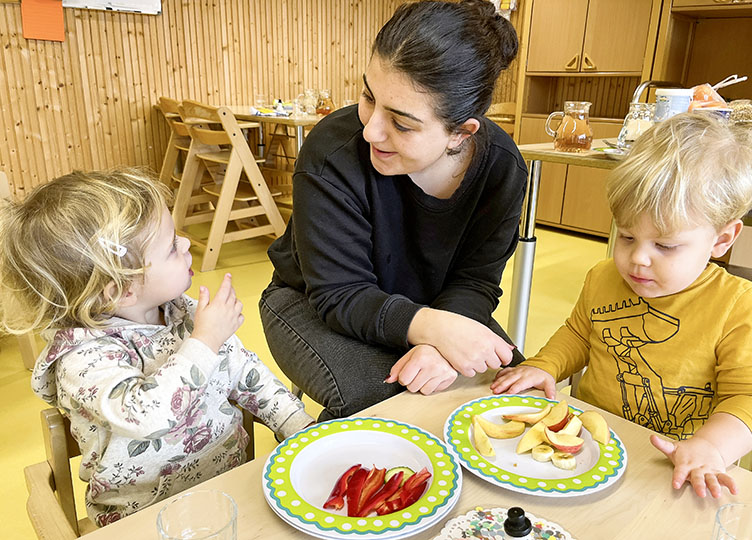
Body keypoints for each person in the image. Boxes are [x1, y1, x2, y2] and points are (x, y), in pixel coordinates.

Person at [260, 0, 528, 421]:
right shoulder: (334, 152)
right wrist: (435, 331)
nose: (371, 130)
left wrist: (440, 342)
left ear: (461, 133)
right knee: (388, 406)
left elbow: (475, 280)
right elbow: (339, 293)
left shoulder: (502, 167)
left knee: (511, 392)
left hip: (433, 305)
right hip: (312, 300)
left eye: (402, 123)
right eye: (368, 96)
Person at [491, 113, 752, 499]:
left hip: (675, 465)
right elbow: (579, 334)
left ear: (721, 239)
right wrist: (546, 365)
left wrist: (712, 447)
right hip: (594, 447)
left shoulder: (738, 307)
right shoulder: (603, 276)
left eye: (665, 245)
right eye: (626, 235)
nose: (637, 259)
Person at [0, 169, 314, 526]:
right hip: (141, 520)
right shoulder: (81, 361)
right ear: (120, 290)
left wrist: (296, 423)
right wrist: (205, 341)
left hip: (229, 493)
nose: (185, 245)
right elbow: (147, 417)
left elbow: (245, 371)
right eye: (170, 247)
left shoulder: (184, 311)